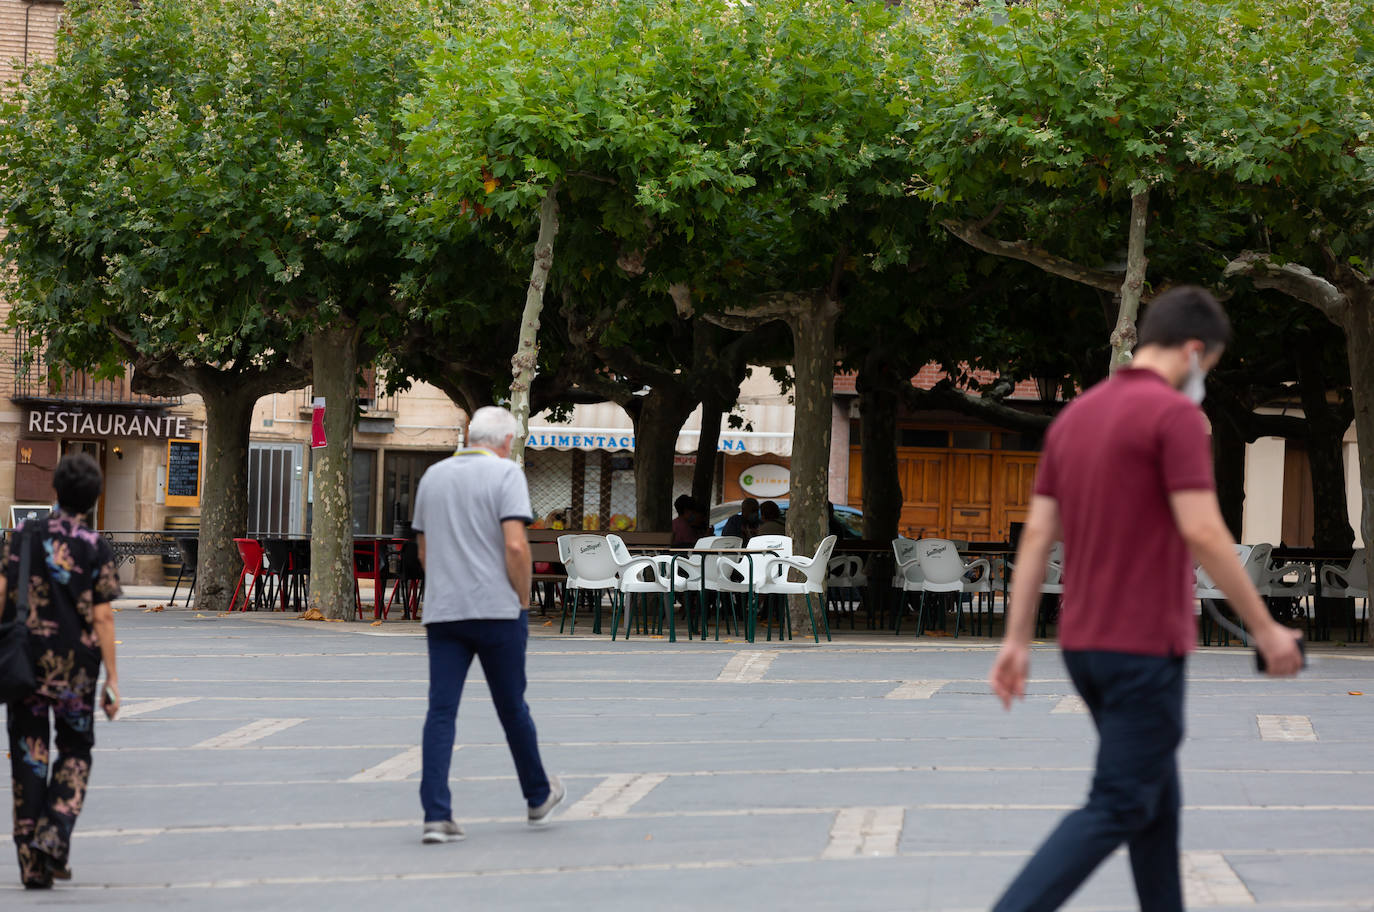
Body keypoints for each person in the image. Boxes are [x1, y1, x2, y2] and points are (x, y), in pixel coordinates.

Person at [987, 286, 1304, 912]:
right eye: (1208, 367)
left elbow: (1037, 539)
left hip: (1083, 646)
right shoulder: (1174, 416)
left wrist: (1017, 640)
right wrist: (1266, 628)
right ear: (1193, 350)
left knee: (1156, 803)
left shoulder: (1077, 416)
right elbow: (1205, 530)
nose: (1204, 380)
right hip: (1142, 650)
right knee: (1121, 803)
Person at [412, 406, 563, 844]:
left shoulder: (433, 476)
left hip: (445, 612)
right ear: (505, 441)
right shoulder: (506, 474)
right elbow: (516, 545)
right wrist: (521, 596)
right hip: (497, 610)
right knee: (512, 707)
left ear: (469, 435)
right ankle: (537, 796)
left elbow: (425, 552)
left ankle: (436, 815)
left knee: (441, 711)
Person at [3, 452, 121, 889]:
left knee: (29, 757)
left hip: (25, 665)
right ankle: (53, 835)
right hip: (76, 670)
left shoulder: (22, 535)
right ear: (93, 500)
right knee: (75, 751)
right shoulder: (94, 547)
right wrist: (113, 679)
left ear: (54, 490)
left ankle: (32, 865)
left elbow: (0, 591)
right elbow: (104, 617)